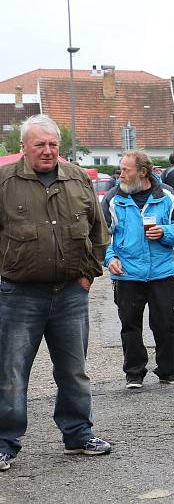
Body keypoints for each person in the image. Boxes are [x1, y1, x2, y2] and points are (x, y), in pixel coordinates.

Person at [0, 115, 112, 472]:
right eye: (40, 145)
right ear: (24, 148)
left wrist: (89, 273)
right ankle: (5, 443)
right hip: (18, 295)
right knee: (11, 372)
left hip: (70, 294)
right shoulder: (4, 182)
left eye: (53, 145)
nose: (48, 151)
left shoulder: (77, 178)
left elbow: (98, 229)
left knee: (74, 370)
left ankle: (78, 435)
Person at [102, 150, 174, 389]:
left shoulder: (167, 195)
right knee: (130, 325)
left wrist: (165, 232)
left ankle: (168, 371)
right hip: (127, 273)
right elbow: (100, 236)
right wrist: (109, 258)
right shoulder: (112, 198)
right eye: (121, 170)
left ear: (143, 172)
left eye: (126, 171)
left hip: (161, 272)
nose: (121, 175)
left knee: (167, 323)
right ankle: (134, 373)